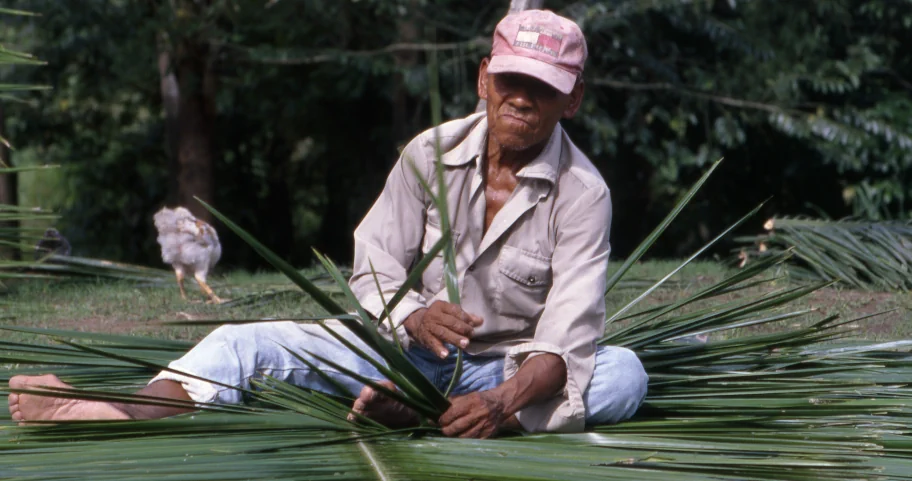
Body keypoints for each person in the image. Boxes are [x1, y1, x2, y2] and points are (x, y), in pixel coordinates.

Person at [7, 9, 648, 438]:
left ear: (573, 98)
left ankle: (433, 418)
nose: (522, 98)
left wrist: (501, 401)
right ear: (484, 78)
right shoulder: (429, 153)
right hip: (400, 354)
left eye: (543, 86)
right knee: (243, 345)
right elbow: (373, 258)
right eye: (510, 78)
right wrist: (413, 317)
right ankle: (115, 411)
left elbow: (566, 339)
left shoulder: (583, 193)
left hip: (505, 373)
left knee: (623, 374)